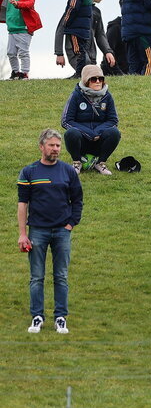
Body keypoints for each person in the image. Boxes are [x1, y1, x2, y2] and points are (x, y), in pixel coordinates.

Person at [18, 129, 83, 334]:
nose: (55, 149)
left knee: (61, 276)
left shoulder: (68, 171)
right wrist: (22, 233)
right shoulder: (29, 172)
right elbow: (22, 204)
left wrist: (71, 224)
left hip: (62, 232)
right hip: (37, 231)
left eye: (58, 146)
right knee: (36, 276)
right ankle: (37, 317)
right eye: (52, 145)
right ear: (41, 147)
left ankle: (60, 318)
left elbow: (78, 200)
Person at [60, 65, 121, 176]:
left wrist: (97, 132)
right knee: (71, 133)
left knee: (115, 132)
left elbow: (113, 120)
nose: (98, 82)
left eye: (101, 79)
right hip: (82, 140)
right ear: (86, 80)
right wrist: (88, 133)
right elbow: (66, 120)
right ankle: (77, 163)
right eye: (94, 79)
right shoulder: (76, 95)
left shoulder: (107, 96)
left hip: (99, 139)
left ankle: (100, 163)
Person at [56, 0, 97, 78]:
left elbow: (72, 7)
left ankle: (80, 73)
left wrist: (66, 21)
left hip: (76, 27)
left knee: (78, 51)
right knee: (81, 49)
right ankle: (81, 72)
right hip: (84, 27)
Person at [4, 0, 41, 80]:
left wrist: (18, 4)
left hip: (23, 28)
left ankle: (24, 73)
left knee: (23, 52)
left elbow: (30, 3)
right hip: (12, 28)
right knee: (10, 52)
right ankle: (15, 72)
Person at [102, 3, 128, 77]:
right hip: (114, 73)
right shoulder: (115, 28)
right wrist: (118, 73)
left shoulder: (136, 28)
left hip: (130, 72)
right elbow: (107, 52)